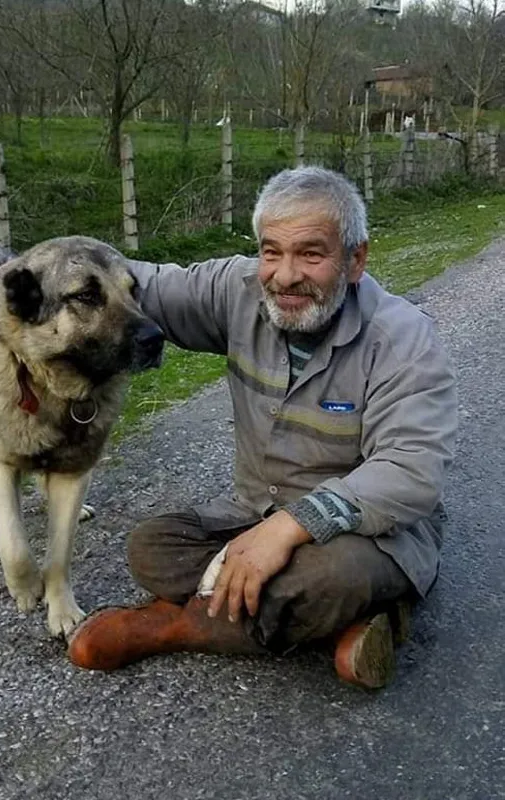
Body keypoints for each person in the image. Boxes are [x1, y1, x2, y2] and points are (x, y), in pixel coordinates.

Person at [65, 166, 458, 688]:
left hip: (369, 535)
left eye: (311, 254)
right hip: (254, 513)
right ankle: (348, 621)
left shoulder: (405, 340)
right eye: (272, 251)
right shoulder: (240, 289)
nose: (286, 274)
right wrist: (24, 267)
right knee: (151, 548)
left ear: (355, 260)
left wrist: (289, 528)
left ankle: (172, 627)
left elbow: (412, 472)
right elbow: (141, 281)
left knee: (324, 580)